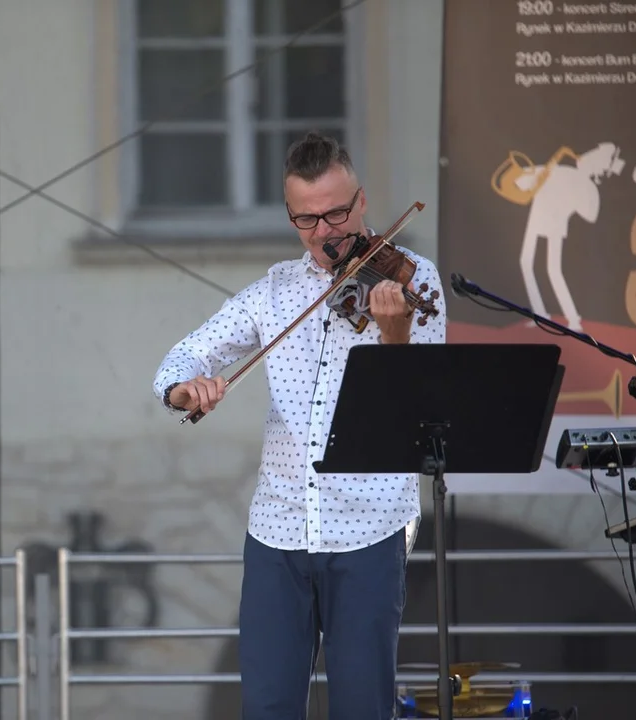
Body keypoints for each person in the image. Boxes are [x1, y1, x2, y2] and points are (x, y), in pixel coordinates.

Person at [152, 132, 446, 719]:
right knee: (266, 705)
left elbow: (418, 407)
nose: (326, 232)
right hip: (277, 531)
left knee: (363, 706)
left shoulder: (415, 282)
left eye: (337, 213)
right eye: (307, 219)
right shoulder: (275, 291)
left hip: (369, 528)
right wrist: (186, 389)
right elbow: (183, 357)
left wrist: (392, 332)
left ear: (361, 202)